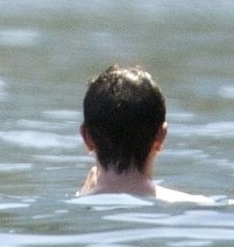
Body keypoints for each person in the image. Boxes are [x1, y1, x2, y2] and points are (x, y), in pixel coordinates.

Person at [75, 65, 208, 202]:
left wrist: (83, 197)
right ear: (161, 136)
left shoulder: (76, 208)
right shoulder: (200, 204)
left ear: (86, 137)